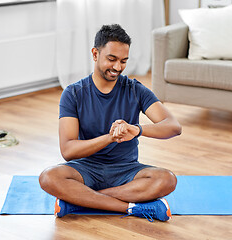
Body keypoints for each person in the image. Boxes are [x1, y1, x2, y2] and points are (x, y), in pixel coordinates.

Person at [39, 24, 182, 222]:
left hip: (126, 171)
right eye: (111, 59)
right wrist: (110, 137)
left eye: (123, 61)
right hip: (84, 170)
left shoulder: (135, 90)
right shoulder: (73, 93)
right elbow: (68, 150)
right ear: (95, 54)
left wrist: (137, 130)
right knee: (48, 177)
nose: (117, 67)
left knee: (167, 179)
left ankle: (79, 201)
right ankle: (131, 208)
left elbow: (173, 126)